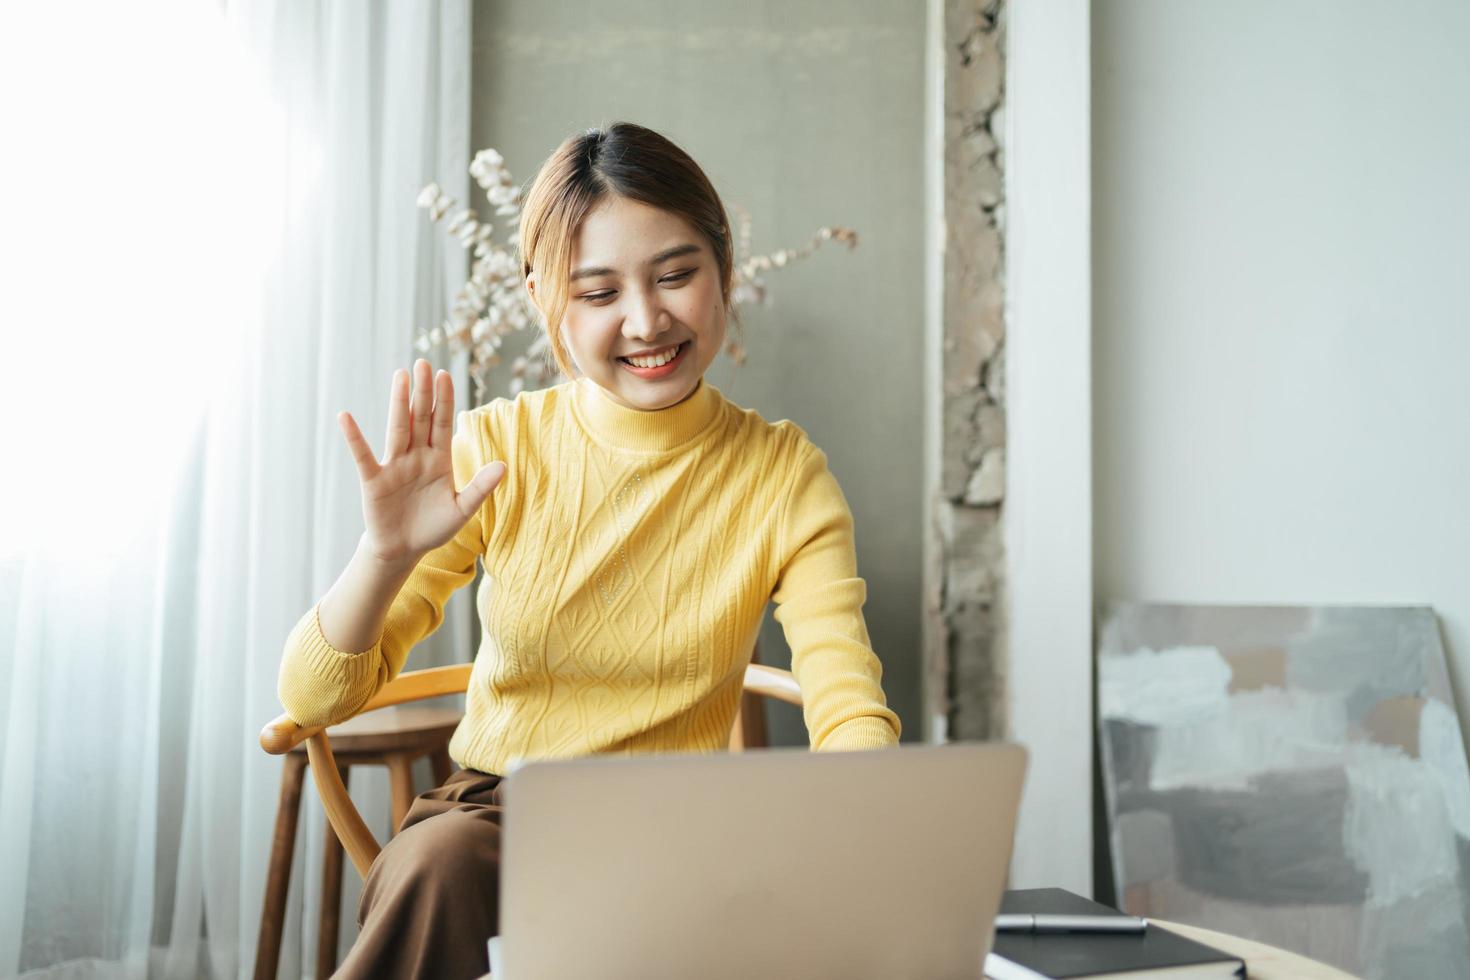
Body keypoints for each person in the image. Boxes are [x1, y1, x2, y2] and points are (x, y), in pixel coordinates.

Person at [276, 121, 901, 979]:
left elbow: (847, 703)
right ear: (547, 304)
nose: (647, 321)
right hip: (500, 818)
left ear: (725, 268)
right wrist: (382, 556)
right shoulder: (496, 449)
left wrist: (864, 817)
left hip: (687, 831)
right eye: (598, 292)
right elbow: (311, 700)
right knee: (437, 863)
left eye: (676, 274)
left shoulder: (783, 473)